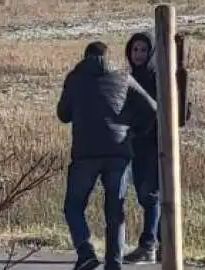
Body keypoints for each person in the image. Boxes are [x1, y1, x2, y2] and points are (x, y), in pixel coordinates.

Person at [57, 41, 158, 270]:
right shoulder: (122, 77)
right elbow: (152, 107)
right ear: (108, 56)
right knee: (115, 210)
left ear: (85, 57)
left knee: (73, 206)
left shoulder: (75, 78)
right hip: (118, 151)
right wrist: (134, 129)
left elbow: (63, 114)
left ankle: (86, 252)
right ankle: (114, 264)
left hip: (85, 152)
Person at [122, 32, 161, 264]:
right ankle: (161, 244)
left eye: (143, 50)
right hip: (136, 145)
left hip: (153, 144)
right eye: (135, 50)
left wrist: (140, 130)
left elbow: (154, 112)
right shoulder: (130, 77)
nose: (138, 54)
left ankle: (148, 245)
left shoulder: (154, 78)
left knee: (150, 195)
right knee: (146, 196)